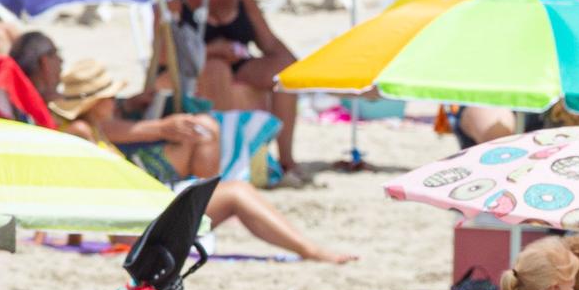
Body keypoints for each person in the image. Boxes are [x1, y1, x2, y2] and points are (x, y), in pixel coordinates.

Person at [48, 59, 354, 263]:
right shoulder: (81, 131)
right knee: (235, 192)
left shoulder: (95, 130)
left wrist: (74, 242)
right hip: (136, 231)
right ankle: (310, 251)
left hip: (141, 220)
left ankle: (308, 249)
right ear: (94, 102)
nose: (115, 101)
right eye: (110, 97)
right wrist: (74, 241)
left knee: (231, 182)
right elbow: (79, 190)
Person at [171, 0, 301, 177]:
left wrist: (295, 65)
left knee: (286, 71)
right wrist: (213, 50)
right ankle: (227, 157)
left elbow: (269, 42)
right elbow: (169, 55)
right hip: (194, 67)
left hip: (239, 63)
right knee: (216, 68)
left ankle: (287, 159)